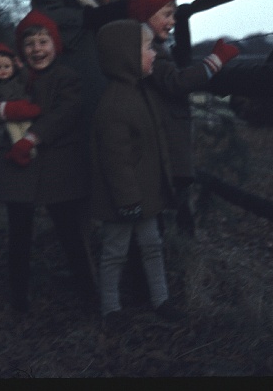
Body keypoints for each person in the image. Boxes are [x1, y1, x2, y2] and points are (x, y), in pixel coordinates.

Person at [0, 10, 95, 313]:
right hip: (19, 167)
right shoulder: (14, 76)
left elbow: (64, 114)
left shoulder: (67, 77)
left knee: (70, 234)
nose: (37, 50)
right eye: (29, 45)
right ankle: (19, 302)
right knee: (19, 236)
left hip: (57, 164)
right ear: (21, 51)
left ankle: (90, 298)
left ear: (55, 45)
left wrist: (34, 137)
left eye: (43, 42)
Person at [124, 0, 240, 236]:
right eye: (166, 14)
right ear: (146, 15)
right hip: (163, 145)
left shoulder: (153, 47)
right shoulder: (149, 53)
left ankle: (172, 250)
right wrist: (215, 61)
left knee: (167, 207)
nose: (172, 22)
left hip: (163, 142)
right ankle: (170, 253)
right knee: (164, 208)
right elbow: (176, 82)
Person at [91, 18, 186, 330]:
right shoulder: (115, 104)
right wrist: (128, 200)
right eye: (148, 48)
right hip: (123, 199)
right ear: (126, 57)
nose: (155, 53)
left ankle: (160, 299)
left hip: (145, 195)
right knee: (115, 251)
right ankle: (110, 308)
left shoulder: (140, 92)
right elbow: (115, 160)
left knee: (152, 246)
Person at [0, 43, 36, 157]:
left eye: (7, 67)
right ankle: (19, 153)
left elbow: (27, 78)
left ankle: (32, 152)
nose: (3, 70)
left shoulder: (17, 80)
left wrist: (21, 67)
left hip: (24, 111)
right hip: (9, 117)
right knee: (14, 134)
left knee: (28, 132)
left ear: (13, 66)